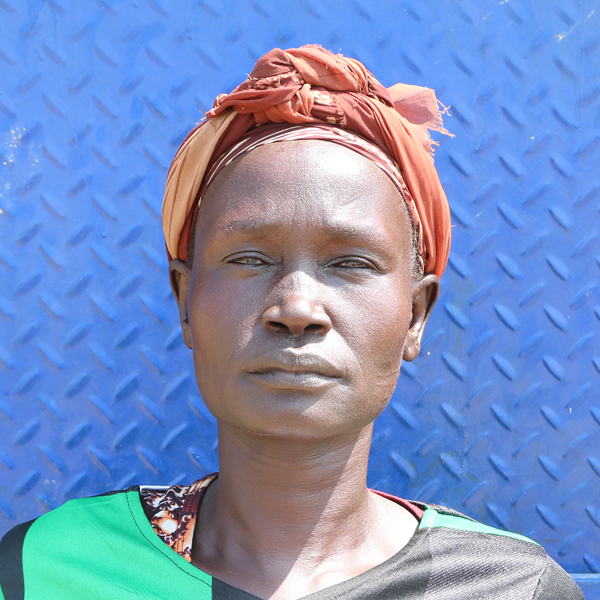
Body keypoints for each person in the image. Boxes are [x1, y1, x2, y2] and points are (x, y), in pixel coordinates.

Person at [0, 46, 583, 600]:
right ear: (185, 300)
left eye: (351, 263)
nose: (297, 309)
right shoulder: (46, 570)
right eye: (249, 259)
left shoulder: (512, 587)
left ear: (416, 314)